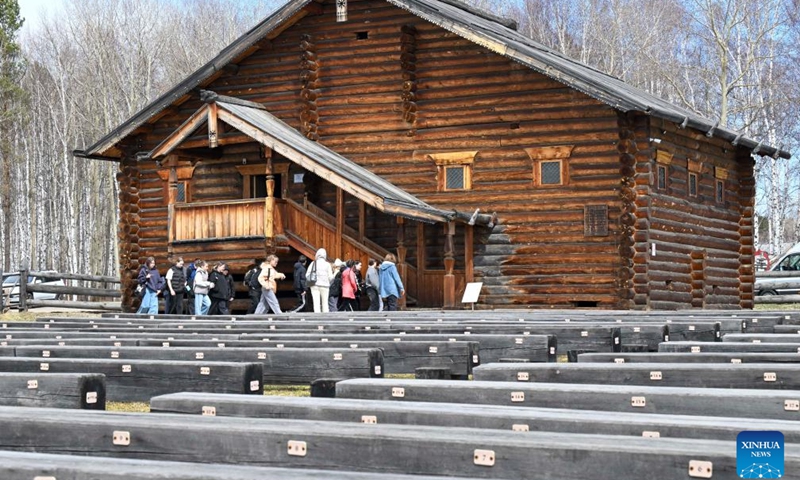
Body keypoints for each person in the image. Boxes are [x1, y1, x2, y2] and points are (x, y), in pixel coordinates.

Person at [309, 248, 333, 313]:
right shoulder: (327, 264)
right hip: (325, 286)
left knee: (316, 303)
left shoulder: (313, 263)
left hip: (315, 285)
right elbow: (331, 277)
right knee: (325, 303)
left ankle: (317, 317)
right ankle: (325, 317)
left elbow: (307, 275)